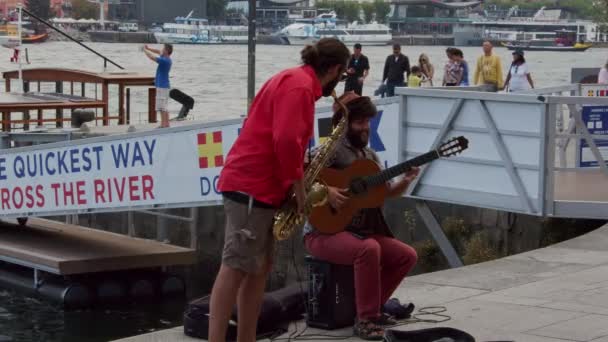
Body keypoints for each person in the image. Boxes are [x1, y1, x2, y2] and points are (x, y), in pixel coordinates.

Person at [209, 38, 350, 342]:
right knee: (234, 266)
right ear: (336, 69)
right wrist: (299, 188)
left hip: (262, 187)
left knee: (259, 268)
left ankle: (247, 337)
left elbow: (286, 140)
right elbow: (285, 141)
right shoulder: (299, 87)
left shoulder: (293, 79)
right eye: (342, 75)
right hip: (252, 185)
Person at [303, 93, 419, 340]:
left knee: (405, 255)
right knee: (367, 249)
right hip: (321, 231)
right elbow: (301, 179)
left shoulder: (370, 156)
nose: (366, 127)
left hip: (358, 230)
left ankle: (373, 310)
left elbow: (386, 194)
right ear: (344, 124)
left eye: (368, 121)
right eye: (359, 122)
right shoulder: (329, 151)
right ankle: (365, 320)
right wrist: (329, 191)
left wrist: (406, 181)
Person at [144, 44, 173, 128]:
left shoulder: (165, 61)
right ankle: (166, 124)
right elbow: (157, 51)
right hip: (164, 86)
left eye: (163, 48)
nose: (161, 50)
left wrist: (144, 50)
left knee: (161, 107)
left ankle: (163, 124)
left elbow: (151, 57)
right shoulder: (166, 58)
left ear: (166, 51)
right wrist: (148, 48)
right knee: (164, 106)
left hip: (162, 86)